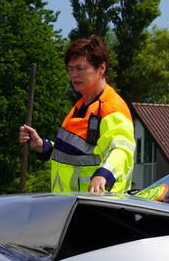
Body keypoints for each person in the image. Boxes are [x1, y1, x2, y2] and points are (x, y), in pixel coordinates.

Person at [19, 36, 135, 193]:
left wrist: (103, 175)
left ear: (101, 68)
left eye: (80, 68)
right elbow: (74, 156)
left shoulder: (112, 107)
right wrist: (43, 146)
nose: (73, 75)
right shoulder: (79, 107)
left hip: (100, 203)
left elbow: (122, 150)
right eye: (70, 69)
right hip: (72, 202)